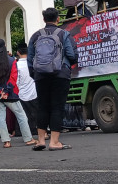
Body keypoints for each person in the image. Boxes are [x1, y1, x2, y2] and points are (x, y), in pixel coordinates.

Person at [27, 8, 79, 151]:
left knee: (42, 106)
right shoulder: (64, 34)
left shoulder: (35, 36)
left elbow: (30, 58)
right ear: (58, 19)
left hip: (40, 75)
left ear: (44, 19)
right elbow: (72, 55)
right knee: (57, 107)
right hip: (60, 75)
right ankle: (54, 142)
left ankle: (41, 140)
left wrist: (36, 74)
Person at [0, 40, 37, 148]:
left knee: (1, 118)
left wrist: (0, 91)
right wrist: (6, 91)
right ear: (4, 47)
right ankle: (28, 139)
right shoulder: (11, 60)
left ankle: (6, 141)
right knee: (21, 115)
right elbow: (13, 78)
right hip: (10, 95)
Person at [15, 43, 38, 135]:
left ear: (18, 53)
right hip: (34, 91)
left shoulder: (16, 65)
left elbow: (16, 80)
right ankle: (37, 129)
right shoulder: (33, 63)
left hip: (21, 92)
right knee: (36, 112)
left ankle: (22, 131)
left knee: (23, 114)